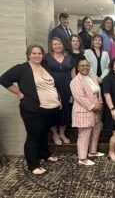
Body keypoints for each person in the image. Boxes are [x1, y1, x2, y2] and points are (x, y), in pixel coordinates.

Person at [0, 44, 60, 175]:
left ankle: (45, 155)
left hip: (50, 109)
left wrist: (58, 100)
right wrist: (19, 93)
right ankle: (33, 165)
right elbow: (4, 79)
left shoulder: (45, 68)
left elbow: (52, 86)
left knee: (44, 133)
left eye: (39, 53)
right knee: (33, 136)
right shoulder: (22, 68)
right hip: (33, 109)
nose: (37, 55)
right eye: (34, 53)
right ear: (28, 54)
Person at [70, 58, 105, 166]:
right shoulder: (75, 81)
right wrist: (93, 106)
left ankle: (92, 151)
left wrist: (100, 104)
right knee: (84, 135)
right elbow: (80, 97)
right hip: (84, 111)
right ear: (78, 67)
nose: (85, 67)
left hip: (97, 110)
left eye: (87, 65)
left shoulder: (92, 77)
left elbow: (98, 91)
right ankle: (83, 158)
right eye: (82, 66)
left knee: (96, 130)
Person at [44, 37, 75, 146]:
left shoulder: (69, 57)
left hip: (67, 88)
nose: (58, 46)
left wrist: (75, 88)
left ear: (63, 45)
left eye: (60, 44)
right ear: (51, 46)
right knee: (54, 110)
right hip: (51, 88)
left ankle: (62, 133)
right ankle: (55, 134)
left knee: (66, 109)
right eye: (55, 44)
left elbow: (73, 74)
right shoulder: (46, 57)